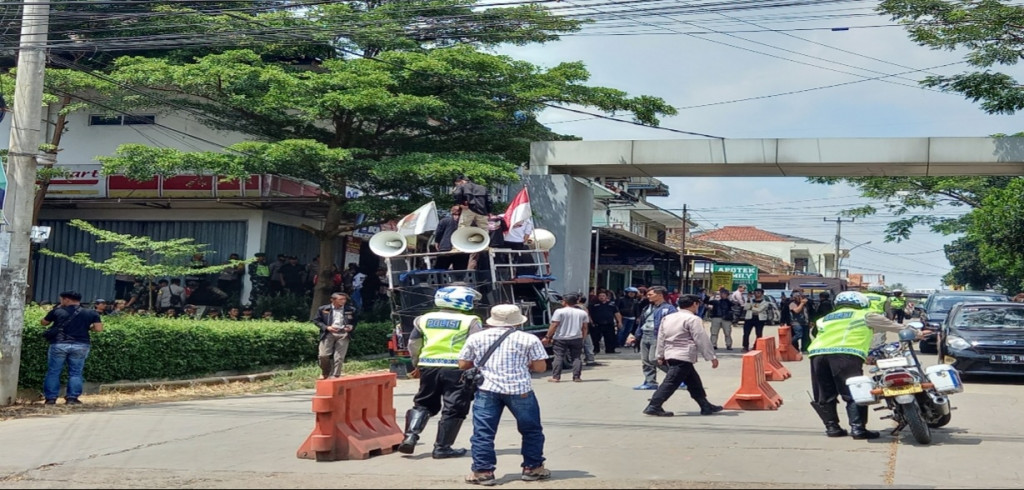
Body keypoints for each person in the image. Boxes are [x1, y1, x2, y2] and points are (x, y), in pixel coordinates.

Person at [807, 291, 921, 440]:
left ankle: (832, 428)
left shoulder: (824, 319)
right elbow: (894, 326)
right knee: (854, 392)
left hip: (817, 355)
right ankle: (858, 429)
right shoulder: (865, 315)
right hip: (846, 354)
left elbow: (816, 334)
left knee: (825, 393)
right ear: (861, 303)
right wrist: (917, 333)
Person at [458, 304, 550, 485]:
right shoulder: (529, 339)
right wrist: (525, 365)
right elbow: (540, 368)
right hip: (520, 390)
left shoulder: (476, 338)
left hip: (487, 390)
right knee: (531, 430)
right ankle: (533, 468)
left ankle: (483, 472)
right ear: (517, 321)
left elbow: (463, 365)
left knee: (483, 432)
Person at [398, 286, 484, 459]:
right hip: (457, 369)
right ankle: (442, 448)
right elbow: (478, 345)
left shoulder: (424, 319)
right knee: (454, 408)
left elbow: (413, 343)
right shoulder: (470, 321)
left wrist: (417, 364)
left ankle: (411, 436)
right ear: (463, 301)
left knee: (423, 403)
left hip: (428, 366)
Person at [643, 294, 722, 417]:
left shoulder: (668, 318)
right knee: (671, 382)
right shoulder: (693, 319)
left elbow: (661, 337)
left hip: (671, 353)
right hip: (683, 354)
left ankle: (705, 405)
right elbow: (701, 339)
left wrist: (660, 354)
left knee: (693, 381)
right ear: (695, 304)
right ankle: (654, 405)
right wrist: (711, 357)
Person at [40, 291, 104, 405]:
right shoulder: (91, 313)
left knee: (53, 372)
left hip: (59, 344)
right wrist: (89, 328)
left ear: (67, 300)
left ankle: (50, 398)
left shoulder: (58, 311)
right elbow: (98, 329)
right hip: (81, 344)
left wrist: (56, 310)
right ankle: (72, 398)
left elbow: (44, 323)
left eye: (61, 299)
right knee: (75, 373)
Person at [629, 286, 677, 390]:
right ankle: (650, 382)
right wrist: (637, 336)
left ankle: (678, 377)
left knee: (654, 359)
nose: (648, 296)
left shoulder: (669, 308)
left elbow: (674, 324)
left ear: (660, 295)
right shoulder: (647, 307)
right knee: (646, 360)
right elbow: (642, 322)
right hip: (645, 334)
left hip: (657, 336)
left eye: (651, 295)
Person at [542, 293, 590, 382]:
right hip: (576, 338)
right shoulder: (582, 313)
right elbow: (585, 327)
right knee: (576, 357)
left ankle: (556, 377)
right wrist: (583, 337)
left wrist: (547, 336)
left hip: (560, 338)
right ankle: (577, 377)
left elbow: (554, 325)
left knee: (558, 357)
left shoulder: (559, 311)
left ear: (565, 302)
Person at [312, 292, 358, 379]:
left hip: (343, 333)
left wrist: (351, 326)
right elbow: (316, 320)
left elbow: (355, 321)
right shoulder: (323, 309)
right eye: (340, 299)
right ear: (332, 300)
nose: (343, 301)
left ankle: (336, 375)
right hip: (328, 333)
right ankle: (325, 372)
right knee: (323, 355)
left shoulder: (351, 309)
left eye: (344, 299)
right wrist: (326, 327)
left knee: (339, 357)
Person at [433, 205, 464, 271]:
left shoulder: (444, 221)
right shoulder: (465, 223)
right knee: (460, 270)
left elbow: (438, 233)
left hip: (445, 248)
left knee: (440, 269)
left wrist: (437, 242)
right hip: (460, 248)